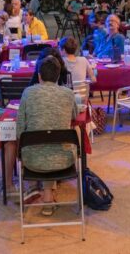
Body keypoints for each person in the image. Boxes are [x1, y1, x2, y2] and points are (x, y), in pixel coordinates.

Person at [17, 56, 78, 216]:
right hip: (64, 159)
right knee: (57, 141)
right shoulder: (68, 93)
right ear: (58, 76)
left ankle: (43, 194)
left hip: (32, 160)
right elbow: (74, 115)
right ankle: (48, 197)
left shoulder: (28, 93)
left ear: (39, 76)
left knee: (42, 143)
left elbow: (19, 131)